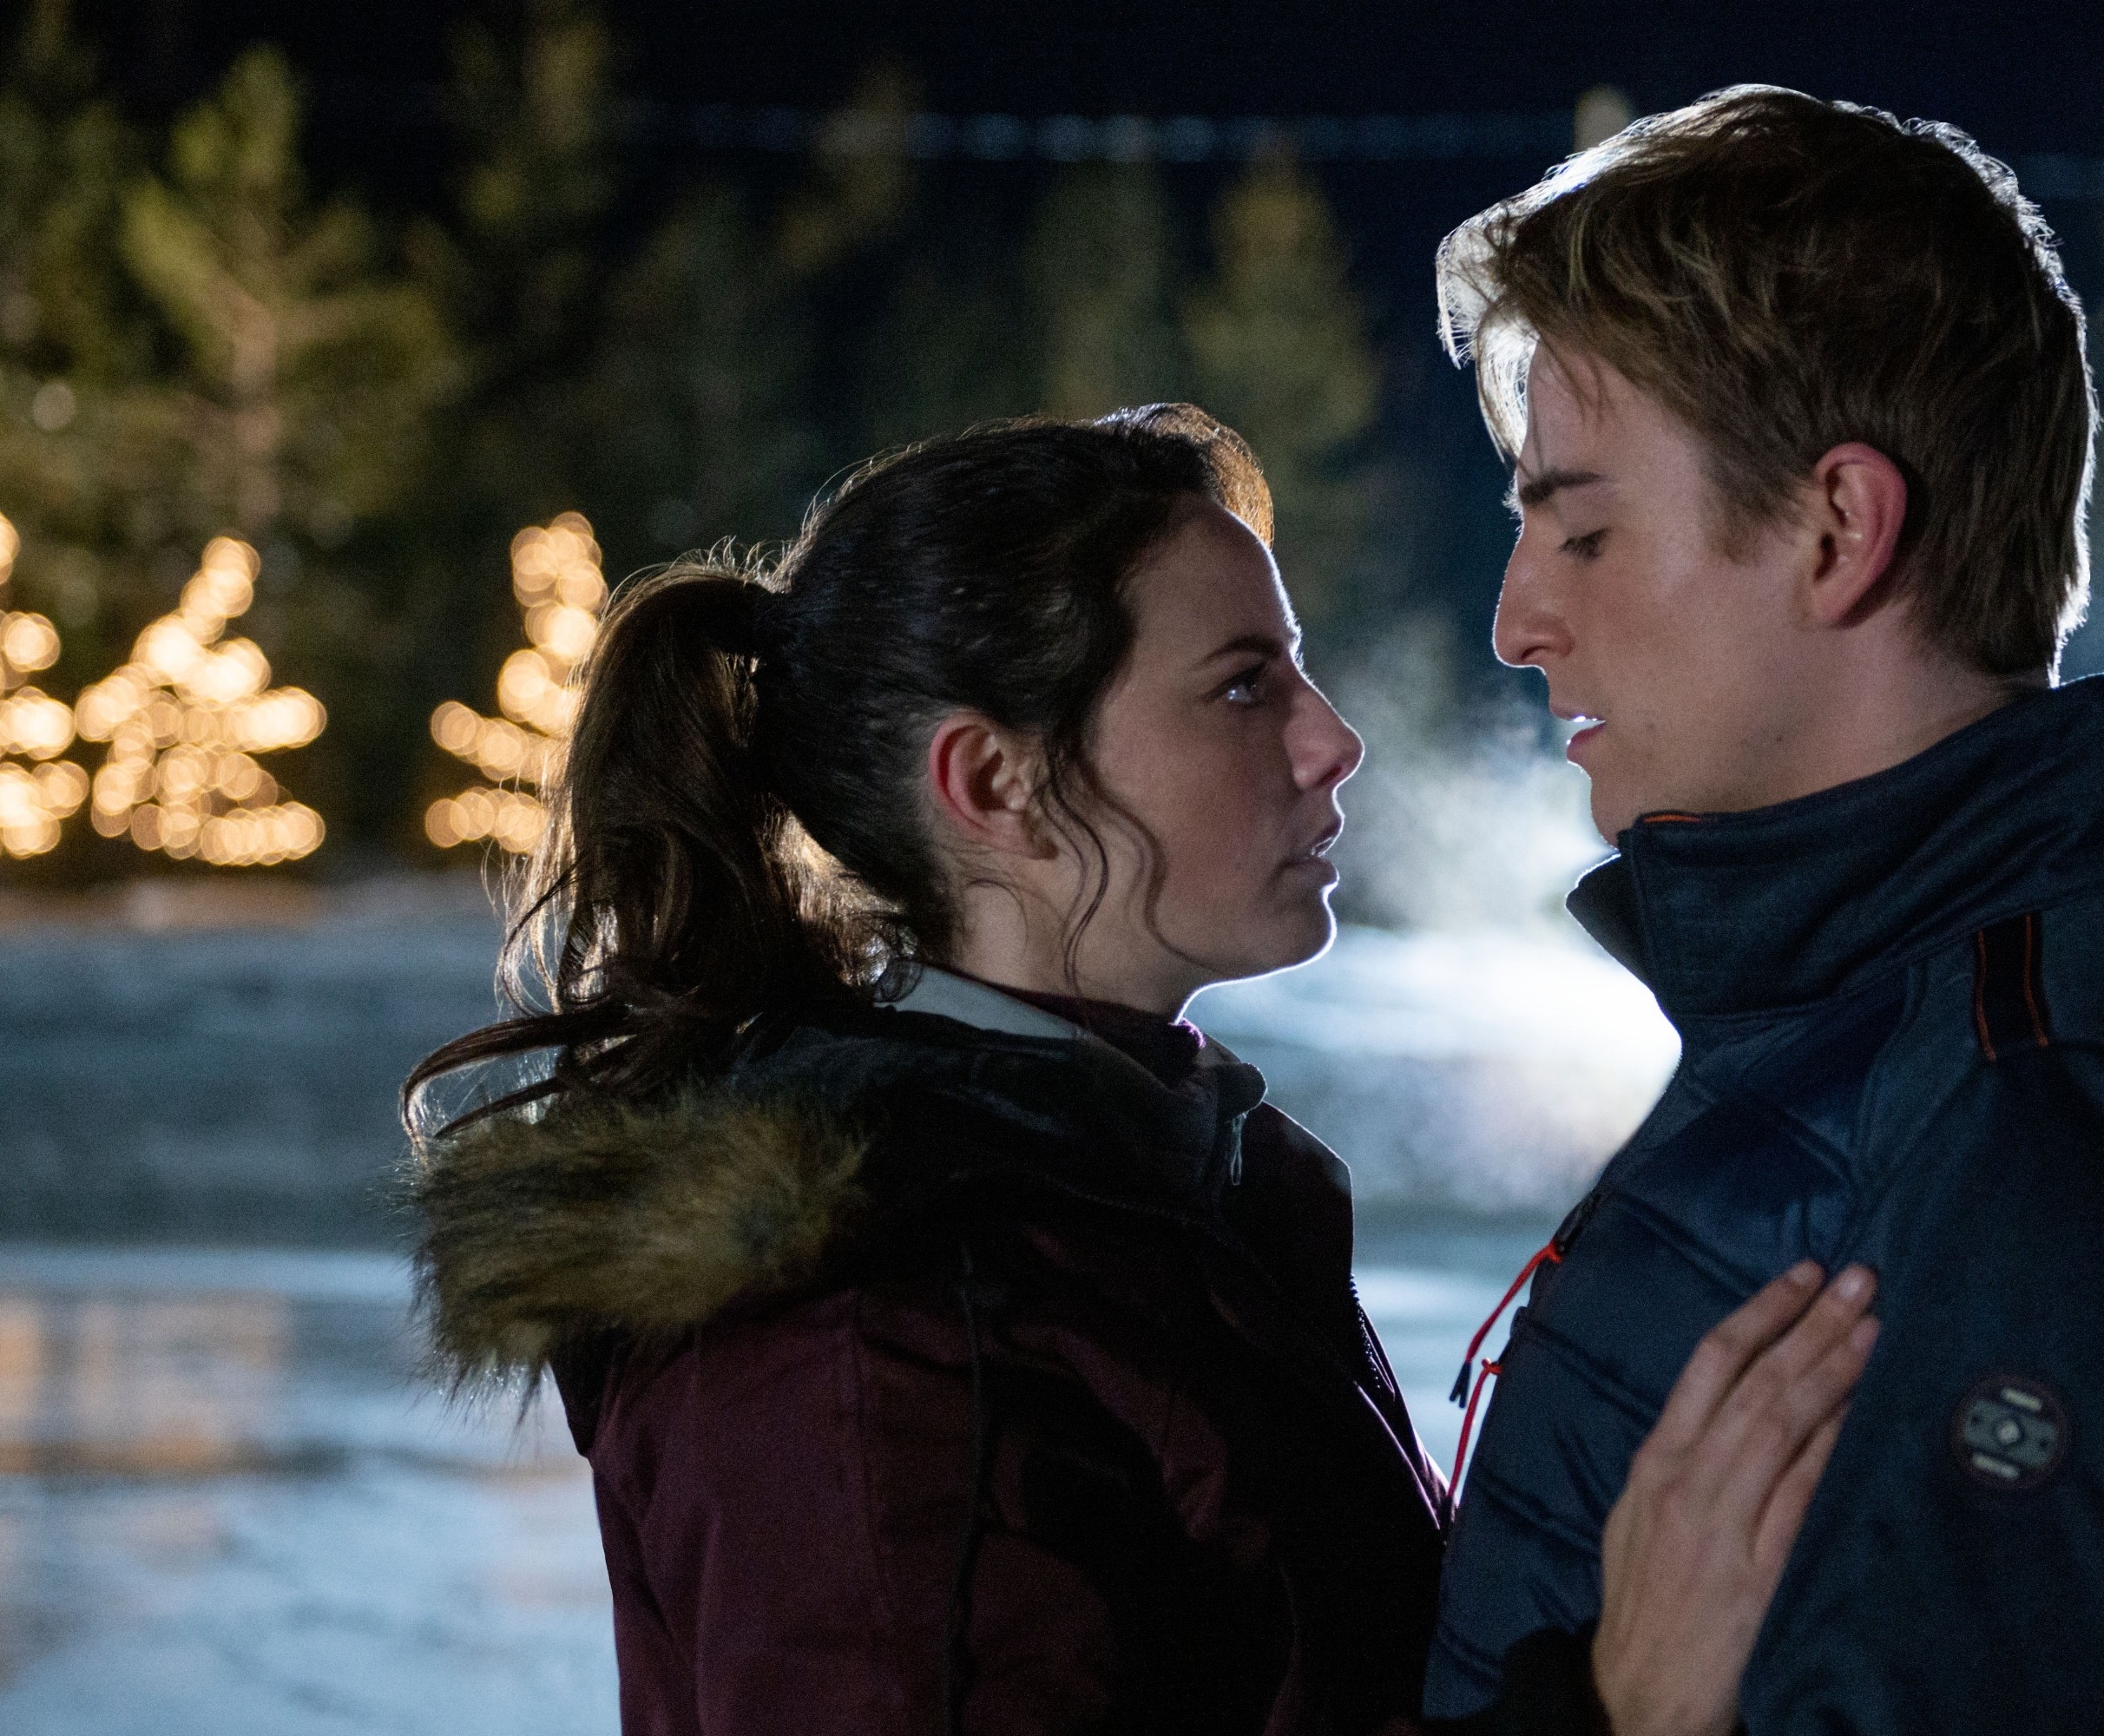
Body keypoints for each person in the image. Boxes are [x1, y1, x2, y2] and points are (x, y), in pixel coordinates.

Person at [404, 406, 1879, 1736]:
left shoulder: (1145, 1192)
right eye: (1244, 689)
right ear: (995, 787)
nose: (1334, 740)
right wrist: (1616, 1712)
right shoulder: (872, 1348)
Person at [1422, 89, 2104, 1735]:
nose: (1519, 622)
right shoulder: (1873, 1035)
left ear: (1837, 531)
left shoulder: (2042, 1128)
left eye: (1584, 529)